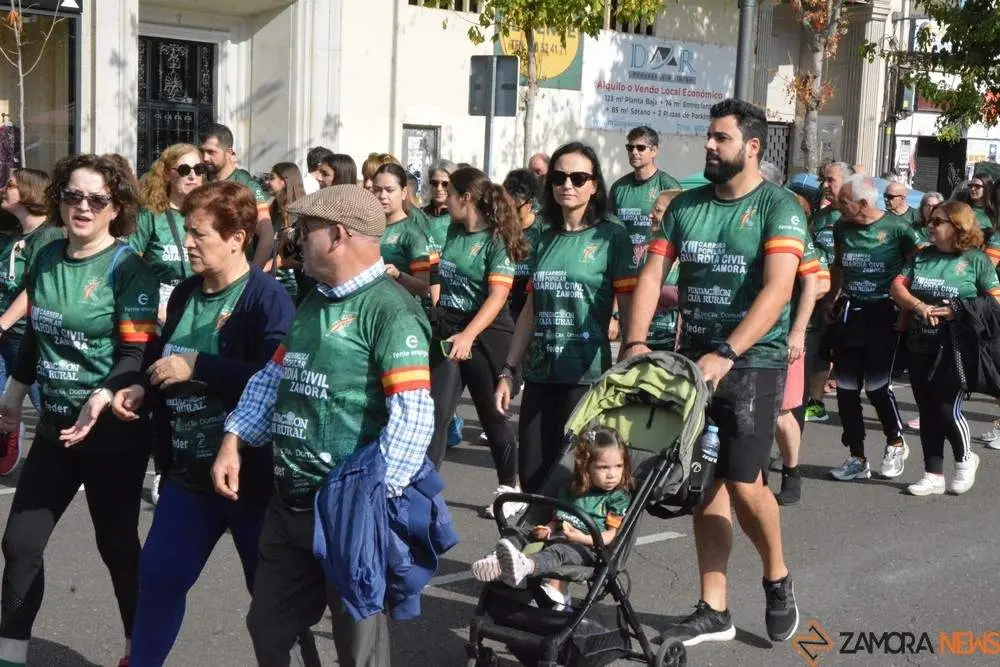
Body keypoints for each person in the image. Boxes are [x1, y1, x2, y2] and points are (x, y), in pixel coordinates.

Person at [211, 184, 434, 666]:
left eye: (304, 230)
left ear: (336, 235)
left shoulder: (391, 310)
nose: (294, 240)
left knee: (359, 650)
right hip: (287, 504)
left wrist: (374, 503)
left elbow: (414, 418)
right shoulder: (313, 301)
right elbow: (273, 378)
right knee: (268, 629)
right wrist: (233, 440)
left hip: (347, 513)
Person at [624, 98, 805, 646]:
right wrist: (635, 342)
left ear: (751, 146)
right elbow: (652, 276)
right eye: (708, 136)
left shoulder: (780, 207)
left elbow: (778, 290)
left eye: (720, 138)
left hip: (754, 361)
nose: (708, 145)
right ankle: (714, 608)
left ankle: (777, 576)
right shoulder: (684, 207)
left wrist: (727, 351)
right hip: (692, 361)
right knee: (705, 486)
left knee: (746, 482)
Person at [123, 181, 296, 665]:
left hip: (248, 478)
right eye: (187, 233)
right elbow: (162, 356)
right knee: (157, 576)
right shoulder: (184, 292)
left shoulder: (267, 299)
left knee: (268, 602)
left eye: (199, 235)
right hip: (187, 476)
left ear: (238, 237)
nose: (188, 244)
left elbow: (275, 383)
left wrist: (200, 366)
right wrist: (142, 385)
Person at [0, 153, 159, 667]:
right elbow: (36, 336)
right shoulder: (45, 256)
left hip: (112, 434)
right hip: (54, 430)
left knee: (116, 549)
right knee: (19, 543)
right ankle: (11, 654)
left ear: (116, 208)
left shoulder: (128, 267)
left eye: (97, 199)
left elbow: (135, 355)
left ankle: (139, 651)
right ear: (59, 200)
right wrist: (12, 399)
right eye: (73, 196)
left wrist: (103, 395)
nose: (83, 207)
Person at [494, 142, 636, 494]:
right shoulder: (543, 235)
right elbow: (531, 307)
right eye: (558, 177)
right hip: (541, 373)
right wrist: (509, 369)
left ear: (594, 185)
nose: (567, 185)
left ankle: (568, 546)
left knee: (575, 475)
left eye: (578, 177)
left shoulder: (611, 235)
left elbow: (631, 303)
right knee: (531, 472)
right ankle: (539, 544)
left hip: (586, 378)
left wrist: (632, 358)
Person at [427, 167, 527, 516]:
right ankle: (423, 492)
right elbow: (439, 277)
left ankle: (509, 488)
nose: (442, 197)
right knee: (436, 413)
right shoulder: (452, 231)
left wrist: (469, 336)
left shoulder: (496, 241)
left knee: (493, 419)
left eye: (448, 192)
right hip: (449, 332)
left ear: (465, 198)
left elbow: (498, 296)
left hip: (487, 333)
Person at [890, 202, 997, 497]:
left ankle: (965, 459)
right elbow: (897, 287)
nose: (931, 226)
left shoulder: (976, 260)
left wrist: (957, 309)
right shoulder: (922, 256)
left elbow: (996, 301)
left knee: (946, 407)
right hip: (919, 342)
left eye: (938, 222)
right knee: (926, 408)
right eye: (931, 221)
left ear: (958, 226)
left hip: (957, 348)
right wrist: (918, 305)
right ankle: (933, 473)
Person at [471, 424, 632, 610]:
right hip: (560, 536)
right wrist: (548, 528)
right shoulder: (573, 489)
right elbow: (559, 519)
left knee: (559, 552)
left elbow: (611, 535)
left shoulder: (617, 497)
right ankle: (497, 561)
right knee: (519, 531)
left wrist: (581, 538)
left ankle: (526, 567)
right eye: (604, 467)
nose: (612, 474)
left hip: (588, 548)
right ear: (586, 468)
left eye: (618, 466)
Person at [825, 174, 919, 482]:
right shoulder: (842, 227)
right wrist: (831, 299)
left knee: (877, 387)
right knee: (847, 389)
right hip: (851, 311)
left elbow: (917, 264)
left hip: (884, 312)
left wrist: (907, 310)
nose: (838, 206)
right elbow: (837, 265)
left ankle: (894, 441)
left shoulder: (897, 229)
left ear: (863, 203)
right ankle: (857, 456)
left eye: (844, 202)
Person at [0, 168, 60, 473]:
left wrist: (3, 323)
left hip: (28, 336)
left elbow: (34, 288)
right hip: (5, 336)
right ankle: (9, 438)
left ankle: (73, 458)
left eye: (10, 185)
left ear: (30, 192)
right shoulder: (10, 236)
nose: (4, 189)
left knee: (45, 404)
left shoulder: (48, 236)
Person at [773, 240, 828, 506]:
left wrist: (796, 331)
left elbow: (819, 284)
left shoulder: (800, 240)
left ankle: (791, 471)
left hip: (783, 335)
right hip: (739, 330)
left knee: (781, 413)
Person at [131, 143, 205, 325]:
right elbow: (131, 267)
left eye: (199, 169)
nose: (192, 175)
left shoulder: (210, 213)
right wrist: (154, 303)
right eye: (184, 169)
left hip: (199, 305)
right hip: (158, 310)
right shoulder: (150, 215)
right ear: (166, 175)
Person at [803, 161, 852, 423]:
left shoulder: (852, 217)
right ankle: (815, 402)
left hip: (846, 298)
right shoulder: (820, 217)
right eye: (823, 179)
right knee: (815, 348)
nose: (824, 185)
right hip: (818, 294)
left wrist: (836, 294)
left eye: (831, 180)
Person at [199, 123, 273, 268]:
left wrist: (254, 274)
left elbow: (267, 233)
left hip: (237, 273)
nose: (205, 158)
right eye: (202, 151)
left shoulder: (248, 185)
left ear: (228, 153)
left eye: (211, 152)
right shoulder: (198, 182)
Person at [610, 126, 682, 262]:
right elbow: (609, 227)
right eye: (630, 148)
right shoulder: (618, 187)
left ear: (654, 151)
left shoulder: (668, 186)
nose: (634, 152)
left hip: (658, 265)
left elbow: (680, 229)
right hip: (623, 267)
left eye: (640, 148)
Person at [373, 163, 435, 298]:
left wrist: (398, 275)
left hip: (402, 310)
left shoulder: (412, 234)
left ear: (404, 193)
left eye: (389, 190)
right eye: (377, 189)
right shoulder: (368, 227)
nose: (382, 195)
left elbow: (424, 288)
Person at [502, 168, 543, 324]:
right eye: (507, 206)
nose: (510, 212)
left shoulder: (543, 229)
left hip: (530, 298)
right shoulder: (500, 228)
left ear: (530, 203)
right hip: (504, 294)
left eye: (516, 207)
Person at [646, 189, 683, 352]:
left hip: (675, 346)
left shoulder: (689, 256)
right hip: (645, 344)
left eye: (658, 210)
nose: (650, 215)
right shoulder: (642, 252)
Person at [266, 162, 307, 301]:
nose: (267, 182)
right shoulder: (274, 210)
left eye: (271, 178)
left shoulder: (298, 214)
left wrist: (258, 269)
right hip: (270, 280)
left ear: (284, 182)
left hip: (289, 285)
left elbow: (290, 254)